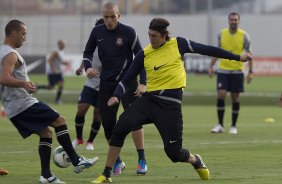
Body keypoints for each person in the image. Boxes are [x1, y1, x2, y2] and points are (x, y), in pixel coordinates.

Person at [91, 17, 252, 183]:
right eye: (149, 35)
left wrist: (237, 57)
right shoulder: (144, 53)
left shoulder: (178, 44)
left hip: (170, 105)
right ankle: (106, 174)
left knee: (174, 153)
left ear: (164, 35)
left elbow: (207, 49)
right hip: (148, 101)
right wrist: (117, 95)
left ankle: (195, 160)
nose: (151, 39)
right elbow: (127, 78)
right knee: (119, 128)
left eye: (154, 36)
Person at [0, 19, 98, 183]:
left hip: (12, 106)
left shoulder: (2, 51)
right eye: (23, 34)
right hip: (22, 103)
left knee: (46, 133)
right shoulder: (10, 54)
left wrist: (24, 84)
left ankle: (46, 176)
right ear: (13, 33)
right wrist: (23, 83)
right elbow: (4, 78)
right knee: (60, 120)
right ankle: (76, 160)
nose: (25, 38)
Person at [83, 2, 147, 175]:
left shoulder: (128, 32)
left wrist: (143, 82)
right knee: (108, 125)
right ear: (102, 16)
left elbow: (141, 57)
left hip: (129, 83)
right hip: (107, 84)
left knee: (134, 121)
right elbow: (87, 53)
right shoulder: (97, 32)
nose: (109, 20)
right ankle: (118, 161)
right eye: (106, 17)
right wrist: (87, 67)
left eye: (113, 16)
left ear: (119, 15)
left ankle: (142, 159)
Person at [208, 12, 253, 134]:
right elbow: (217, 52)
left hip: (237, 71)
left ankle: (233, 126)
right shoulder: (221, 34)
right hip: (223, 70)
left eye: (235, 20)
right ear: (228, 21)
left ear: (239, 21)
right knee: (221, 94)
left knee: (235, 98)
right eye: (231, 19)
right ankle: (220, 125)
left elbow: (249, 55)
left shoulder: (244, 35)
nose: (233, 21)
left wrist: (250, 72)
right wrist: (211, 66)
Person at [72, 18, 104, 151]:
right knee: (81, 110)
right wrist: (81, 68)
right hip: (90, 83)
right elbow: (87, 55)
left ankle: (90, 141)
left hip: (104, 86)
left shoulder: (112, 45)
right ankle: (79, 138)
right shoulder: (94, 41)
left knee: (97, 114)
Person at [37, 39, 69, 104]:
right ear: (59, 44)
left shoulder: (60, 52)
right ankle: (57, 100)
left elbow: (58, 61)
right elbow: (49, 60)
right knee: (61, 84)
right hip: (53, 72)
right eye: (63, 44)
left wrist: (64, 63)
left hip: (57, 71)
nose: (64, 46)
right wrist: (54, 69)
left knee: (51, 87)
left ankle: (37, 87)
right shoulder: (55, 51)